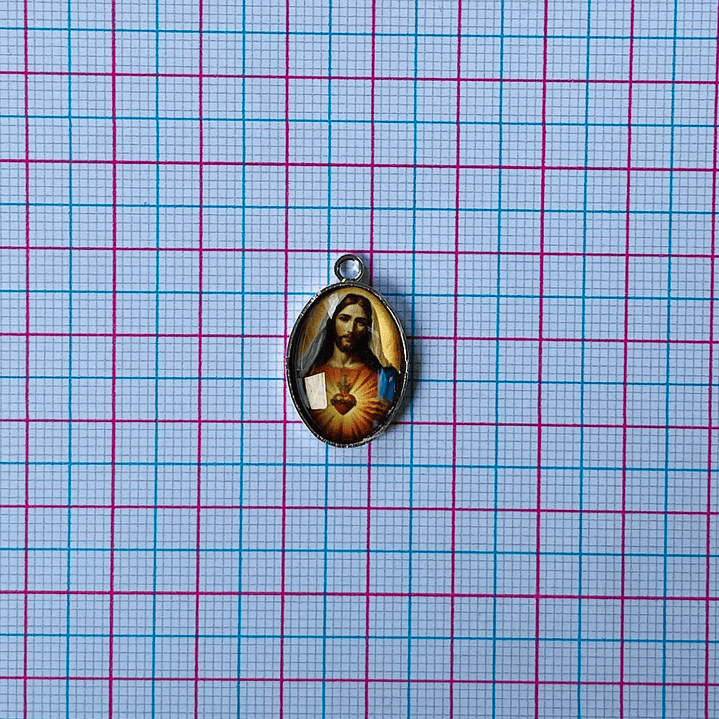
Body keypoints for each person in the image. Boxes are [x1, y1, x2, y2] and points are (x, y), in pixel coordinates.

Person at [300, 293, 400, 444]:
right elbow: (317, 415)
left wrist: (388, 410)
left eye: (360, 322)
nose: (350, 329)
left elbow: (385, 417)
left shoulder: (384, 376)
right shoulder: (314, 374)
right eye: (344, 319)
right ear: (332, 322)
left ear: (368, 328)